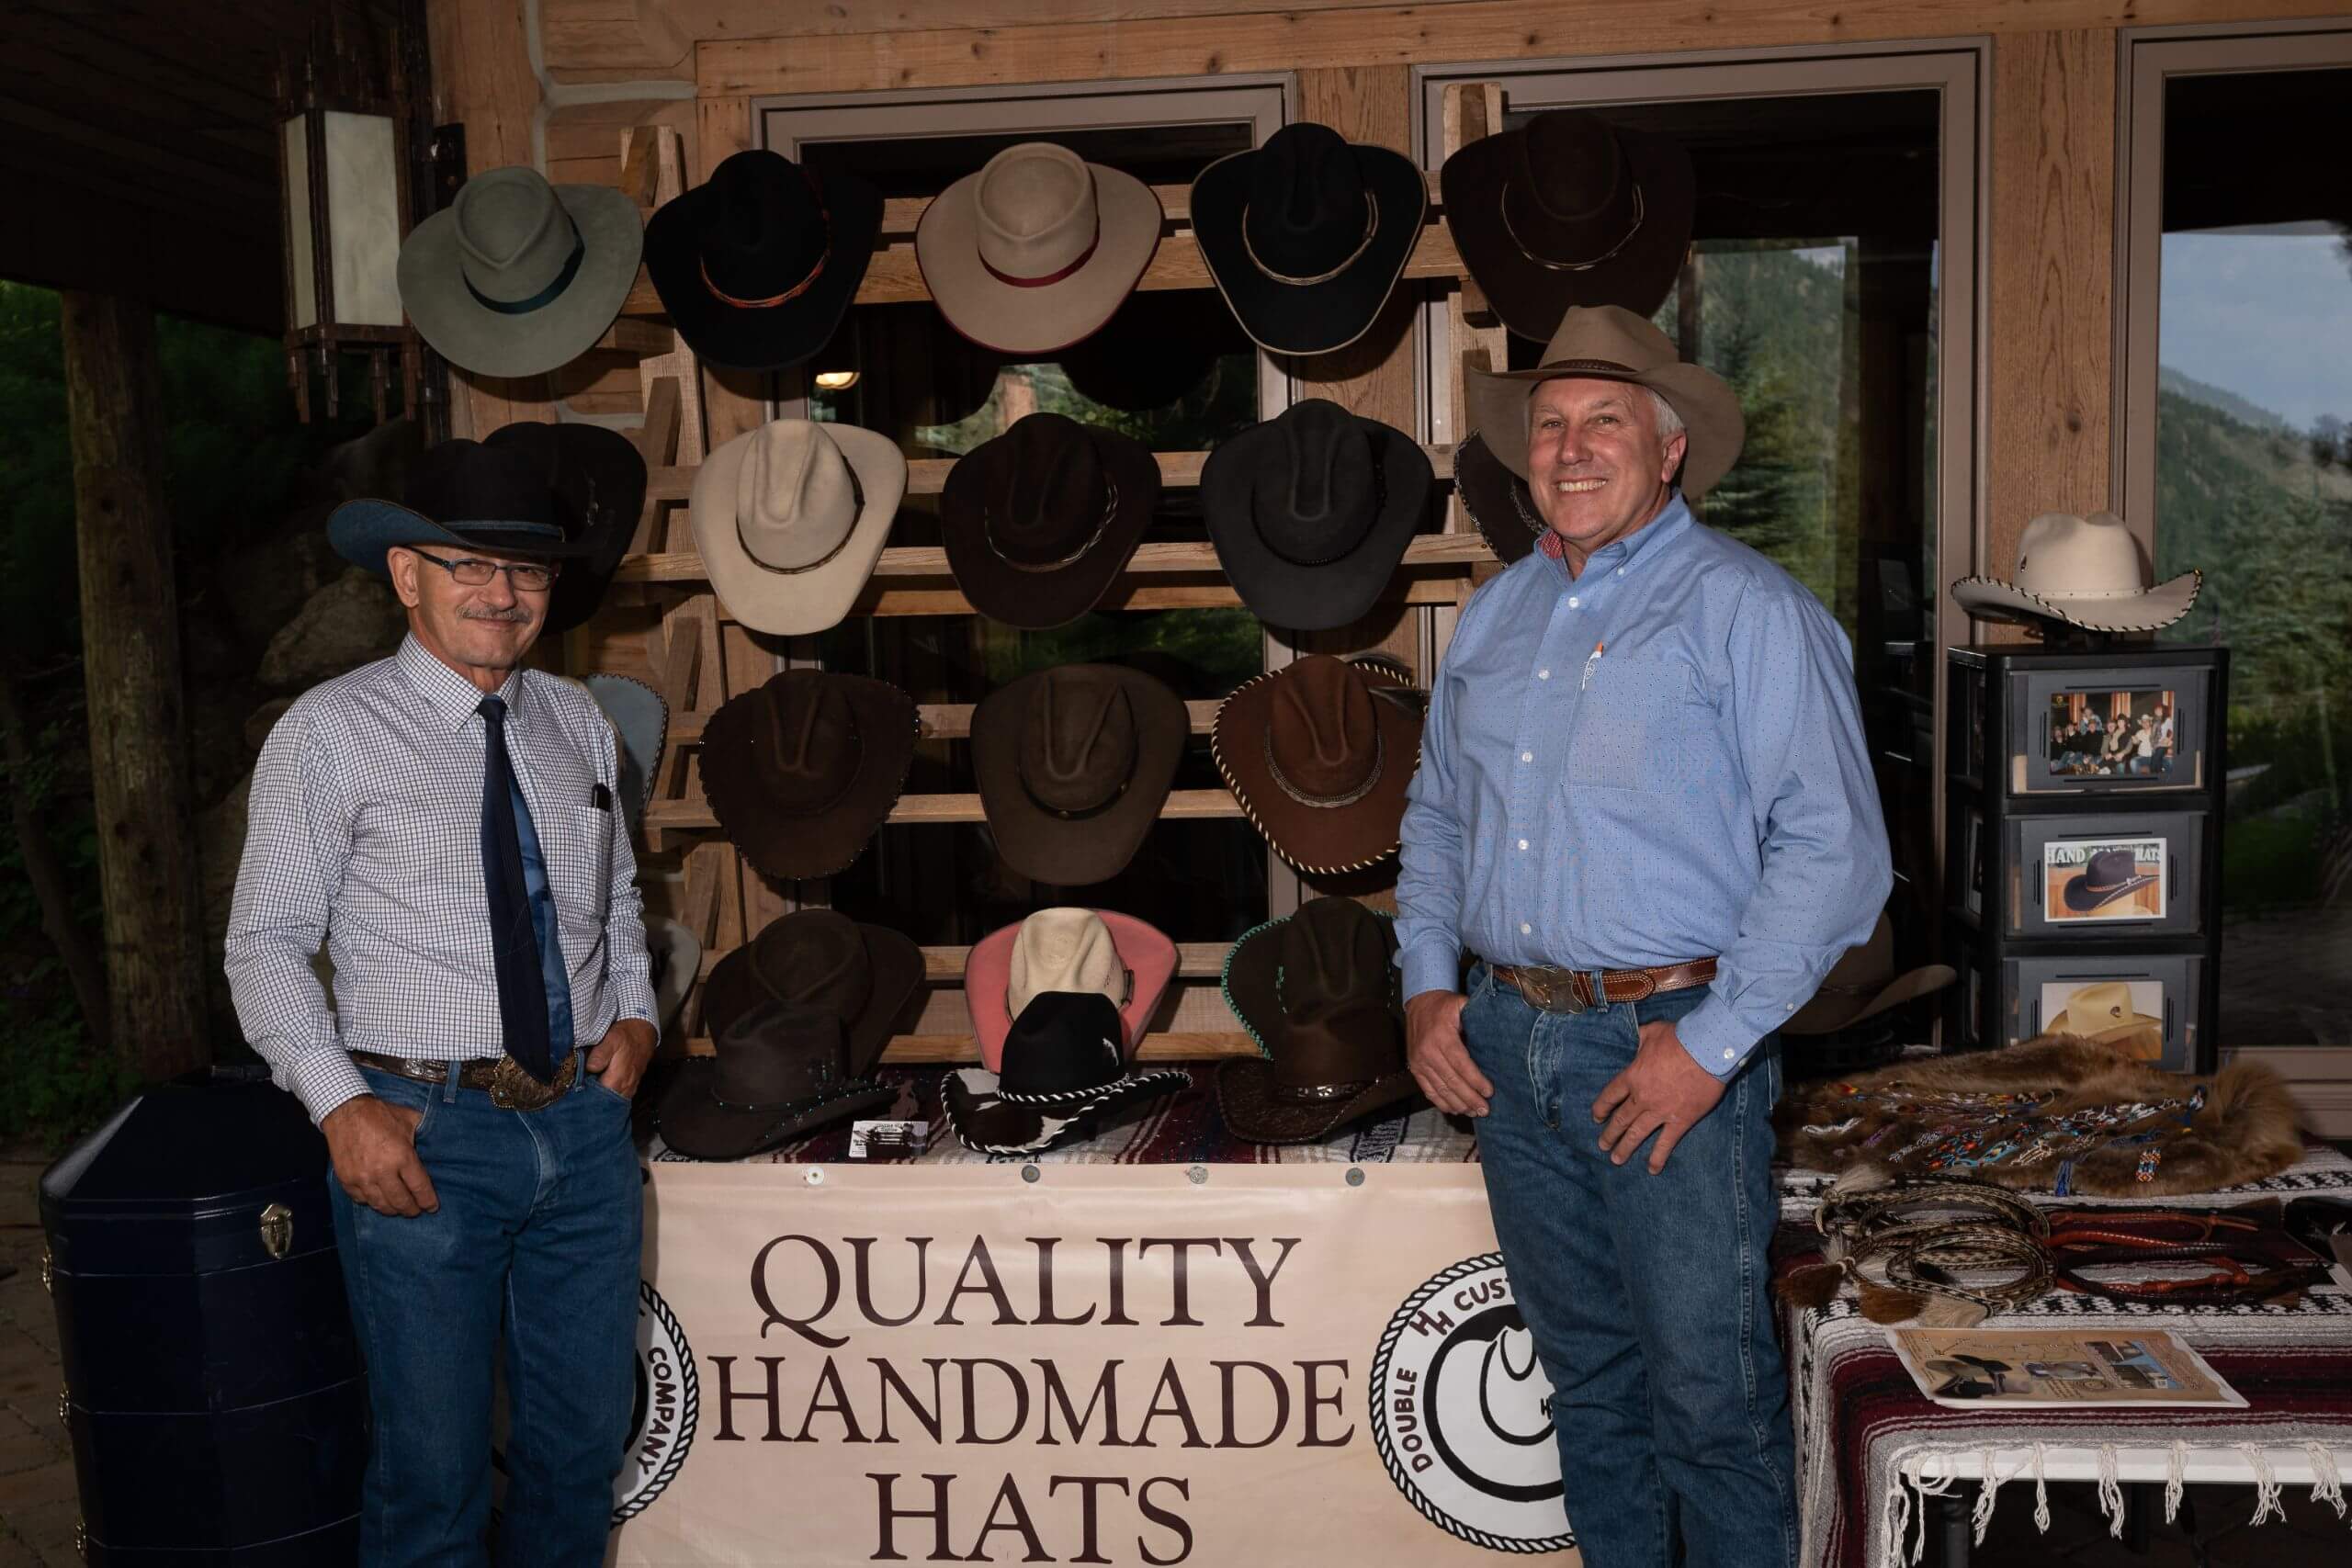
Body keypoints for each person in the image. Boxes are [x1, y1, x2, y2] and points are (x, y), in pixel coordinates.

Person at [1397, 306, 1891, 1568]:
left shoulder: (1747, 610)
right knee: (1592, 1400)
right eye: (1549, 423)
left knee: (1707, 1410)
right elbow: (1440, 813)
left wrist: (1712, 1044)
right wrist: (1426, 989)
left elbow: (1837, 854)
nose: (1569, 447)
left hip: (1665, 1043)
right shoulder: (1495, 615)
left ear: (1669, 448)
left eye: (1602, 420)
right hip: (1509, 1044)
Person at [225, 439, 656, 1567]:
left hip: (584, 1131)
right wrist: (338, 1107)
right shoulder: (327, 734)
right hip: (423, 1137)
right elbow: (264, 946)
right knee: (434, 1478)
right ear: (404, 574)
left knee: (577, 1458)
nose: (501, 595)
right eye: (468, 565)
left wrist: (641, 1015)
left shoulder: (578, 722)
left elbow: (615, 895)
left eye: (526, 572)